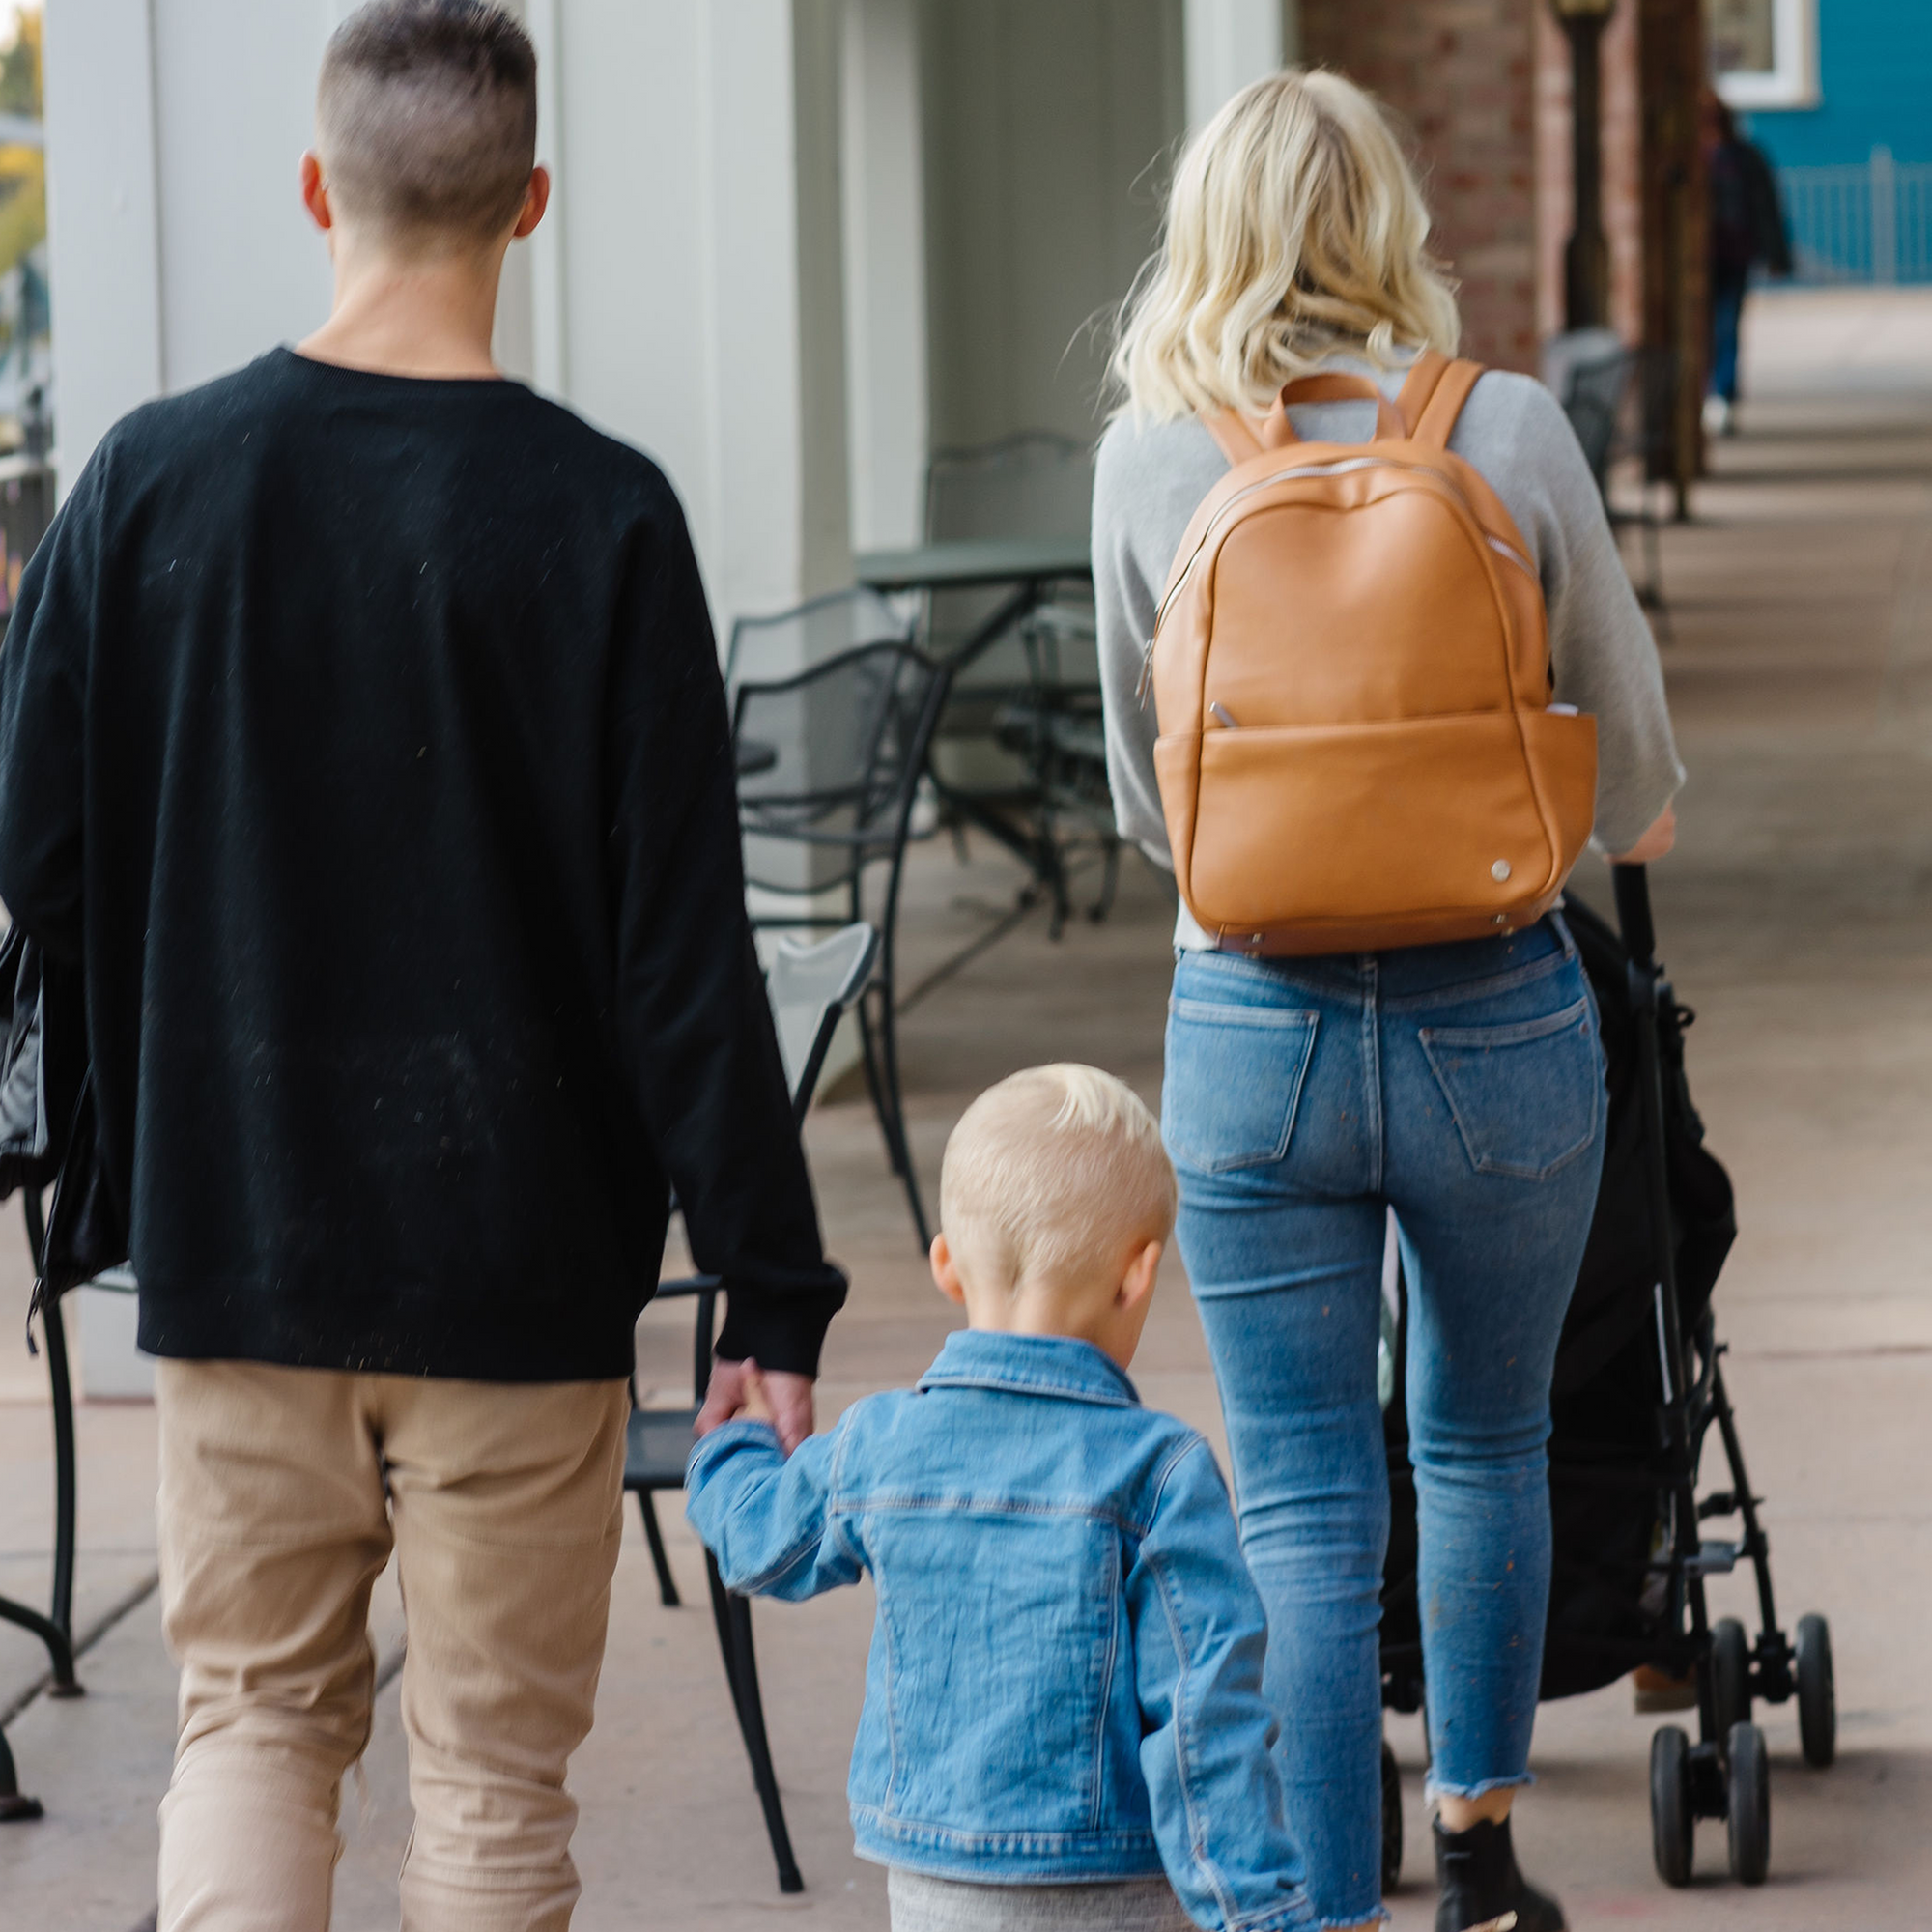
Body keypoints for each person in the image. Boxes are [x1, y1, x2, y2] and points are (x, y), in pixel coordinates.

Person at [0, 4, 843, 1926]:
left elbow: (30, 849)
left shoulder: (143, 486)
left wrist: (176, 1064)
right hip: (517, 1280)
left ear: (316, 188)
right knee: (489, 1784)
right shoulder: (605, 515)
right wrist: (770, 1295)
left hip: (239, 1247)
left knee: (252, 1723)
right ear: (529, 205)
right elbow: (683, 955)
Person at [1094, 71, 1683, 1932]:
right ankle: (1481, 1862)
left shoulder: (1145, 459)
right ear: (1392, 222)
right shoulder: (1505, 432)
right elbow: (1633, 780)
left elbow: (1148, 812)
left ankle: (1318, 1895)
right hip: (1498, 1024)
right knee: (1484, 1441)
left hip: (1252, 1038)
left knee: (1300, 1497)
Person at [686, 1065, 1315, 1932]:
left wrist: (731, 1446)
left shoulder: (881, 1443)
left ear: (946, 1265)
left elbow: (758, 1542)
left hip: (934, 1883)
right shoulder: (1161, 1473)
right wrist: (1267, 1913)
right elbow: (1207, 1718)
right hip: (1110, 1886)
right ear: (1138, 1276)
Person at [1704, 90, 1793, 436]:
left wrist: (1776, 254)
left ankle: (1722, 395)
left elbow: (1766, 206)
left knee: (1727, 326)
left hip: (1735, 255)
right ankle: (1710, 393)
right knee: (1708, 329)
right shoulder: (1702, 158)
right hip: (1705, 258)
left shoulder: (1744, 157)